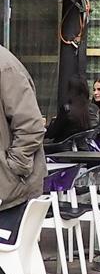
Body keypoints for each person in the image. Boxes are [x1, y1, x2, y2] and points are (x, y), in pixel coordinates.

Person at [0, 42, 46, 256]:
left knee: (11, 264)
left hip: (11, 193)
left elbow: (32, 125)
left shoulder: (5, 66)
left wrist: (13, 168)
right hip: (10, 187)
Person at [45, 74, 93, 145]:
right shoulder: (91, 109)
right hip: (80, 147)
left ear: (70, 90)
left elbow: (52, 133)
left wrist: (44, 127)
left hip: (61, 147)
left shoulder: (67, 109)